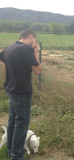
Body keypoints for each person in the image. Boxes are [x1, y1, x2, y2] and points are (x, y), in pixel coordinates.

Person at [0, 29, 42, 160]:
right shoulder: (26, 49)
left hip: (11, 89)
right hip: (22, 91)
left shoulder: (10, 47)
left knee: (13, 121)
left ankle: (10, 151)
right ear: (30, 36)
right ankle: (17, 156)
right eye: (35, 39)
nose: (34, 42)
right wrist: (36, 52)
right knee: (22, 124)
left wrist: (11, 67)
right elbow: (37, 70)